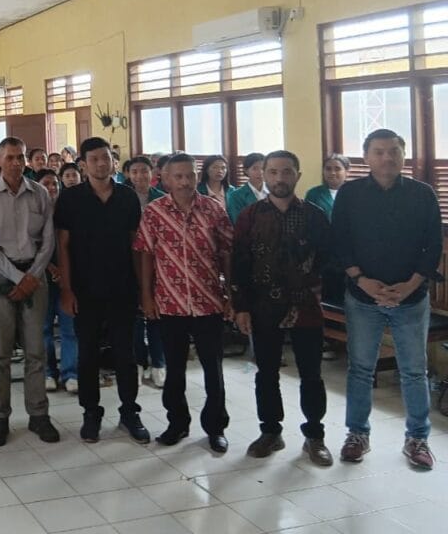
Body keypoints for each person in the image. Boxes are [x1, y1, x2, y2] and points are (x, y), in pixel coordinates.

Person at [332, 129, 443, 470]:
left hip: (412, 296)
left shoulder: (422, 193)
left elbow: (433, 245)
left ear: (403, 154)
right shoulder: (350, 193)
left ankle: (417, 438)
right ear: (366, 157)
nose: (387, 158)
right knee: (360, 369)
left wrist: (411, 285)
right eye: (379, 152)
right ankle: (357, 434)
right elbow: (340, 241)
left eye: (394, 151)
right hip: (362, 296)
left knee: (414, 371)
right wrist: (361, 280)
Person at [232, 151, 334, 466]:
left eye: (286, 171)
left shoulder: (314, 215)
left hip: (305, 306)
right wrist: (241, 306)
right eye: (273, 172)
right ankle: (270, 431)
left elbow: (327, 260)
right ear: (263, 175)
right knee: (266, 373)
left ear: (297, 175)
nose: (279, 178)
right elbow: (239, 263)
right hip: (262, 306)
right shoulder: (250, 216)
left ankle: (314, 435)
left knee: (311, 374)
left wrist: (314, 289)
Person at [135, 153, 233, 454]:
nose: (184, 182)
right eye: (177, 176)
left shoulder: (213, 209)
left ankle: (215, 427)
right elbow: (145, 254)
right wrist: (147, 296)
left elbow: (227, 253)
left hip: (209, 301)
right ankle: (177, 423)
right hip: (170, 302)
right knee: (175, 369)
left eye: (189, 175)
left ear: (197, 176)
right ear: (165, 179)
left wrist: (232, 294)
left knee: (213, 368)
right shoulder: (154, 212)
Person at [55, 139, 150, 444]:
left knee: (126, 353)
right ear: (83, 164)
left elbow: (136, 245)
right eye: (94, 159)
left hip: (123, 287)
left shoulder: (127, 197)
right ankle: (91, 413)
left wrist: (142, 289)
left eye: (105, 158)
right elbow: (63, 246)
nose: (100, 164)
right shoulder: (71, 199)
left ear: (113, 161)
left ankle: (129, 412)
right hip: (85, 290)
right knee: (87, 354)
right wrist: (66, 290)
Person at [0, 137, 58, 446]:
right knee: (0, 352)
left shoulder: (40, 193)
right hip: (0, 275)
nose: (15, 163)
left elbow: (48, 240)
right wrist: (17, 277)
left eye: (20, 157)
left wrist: (31, 276)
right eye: (9, 157)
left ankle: (39, 414)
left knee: (36, 350)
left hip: (35, 274)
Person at [34, 170, 77, 395]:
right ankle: (48, 372)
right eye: (46, 184)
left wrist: (64, 271)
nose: (52, 188)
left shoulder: (68, 211)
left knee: (70, 328)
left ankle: (71, 373)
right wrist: (51, 268)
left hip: (68, 279)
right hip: (42, 278)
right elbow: (31, 246)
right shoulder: (34, 214)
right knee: (44, 329)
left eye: (55, 184)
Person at [126, 156, 166, 387]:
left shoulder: (162, 198)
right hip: (130, 261)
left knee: (156, 315)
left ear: (153, 173)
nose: (140, 175)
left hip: (158, 263)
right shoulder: (124, 198)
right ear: (128, 174)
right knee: (135, 317)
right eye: (135, 171)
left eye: (144, 171)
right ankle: (139, 362)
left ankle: (158, 362)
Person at [304, 153, 350, 222]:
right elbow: (308, 220)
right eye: (328, 169)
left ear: (347, 172)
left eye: (337, 169)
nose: (332, 173)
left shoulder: (354, 193)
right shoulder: (313, 194)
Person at [226, 152, 267, 223]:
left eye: (263, 168)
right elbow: (238, 222)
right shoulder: (236, 196)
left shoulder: (274, 192)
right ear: (246, 171)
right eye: (255, 168)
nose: (260, 172)